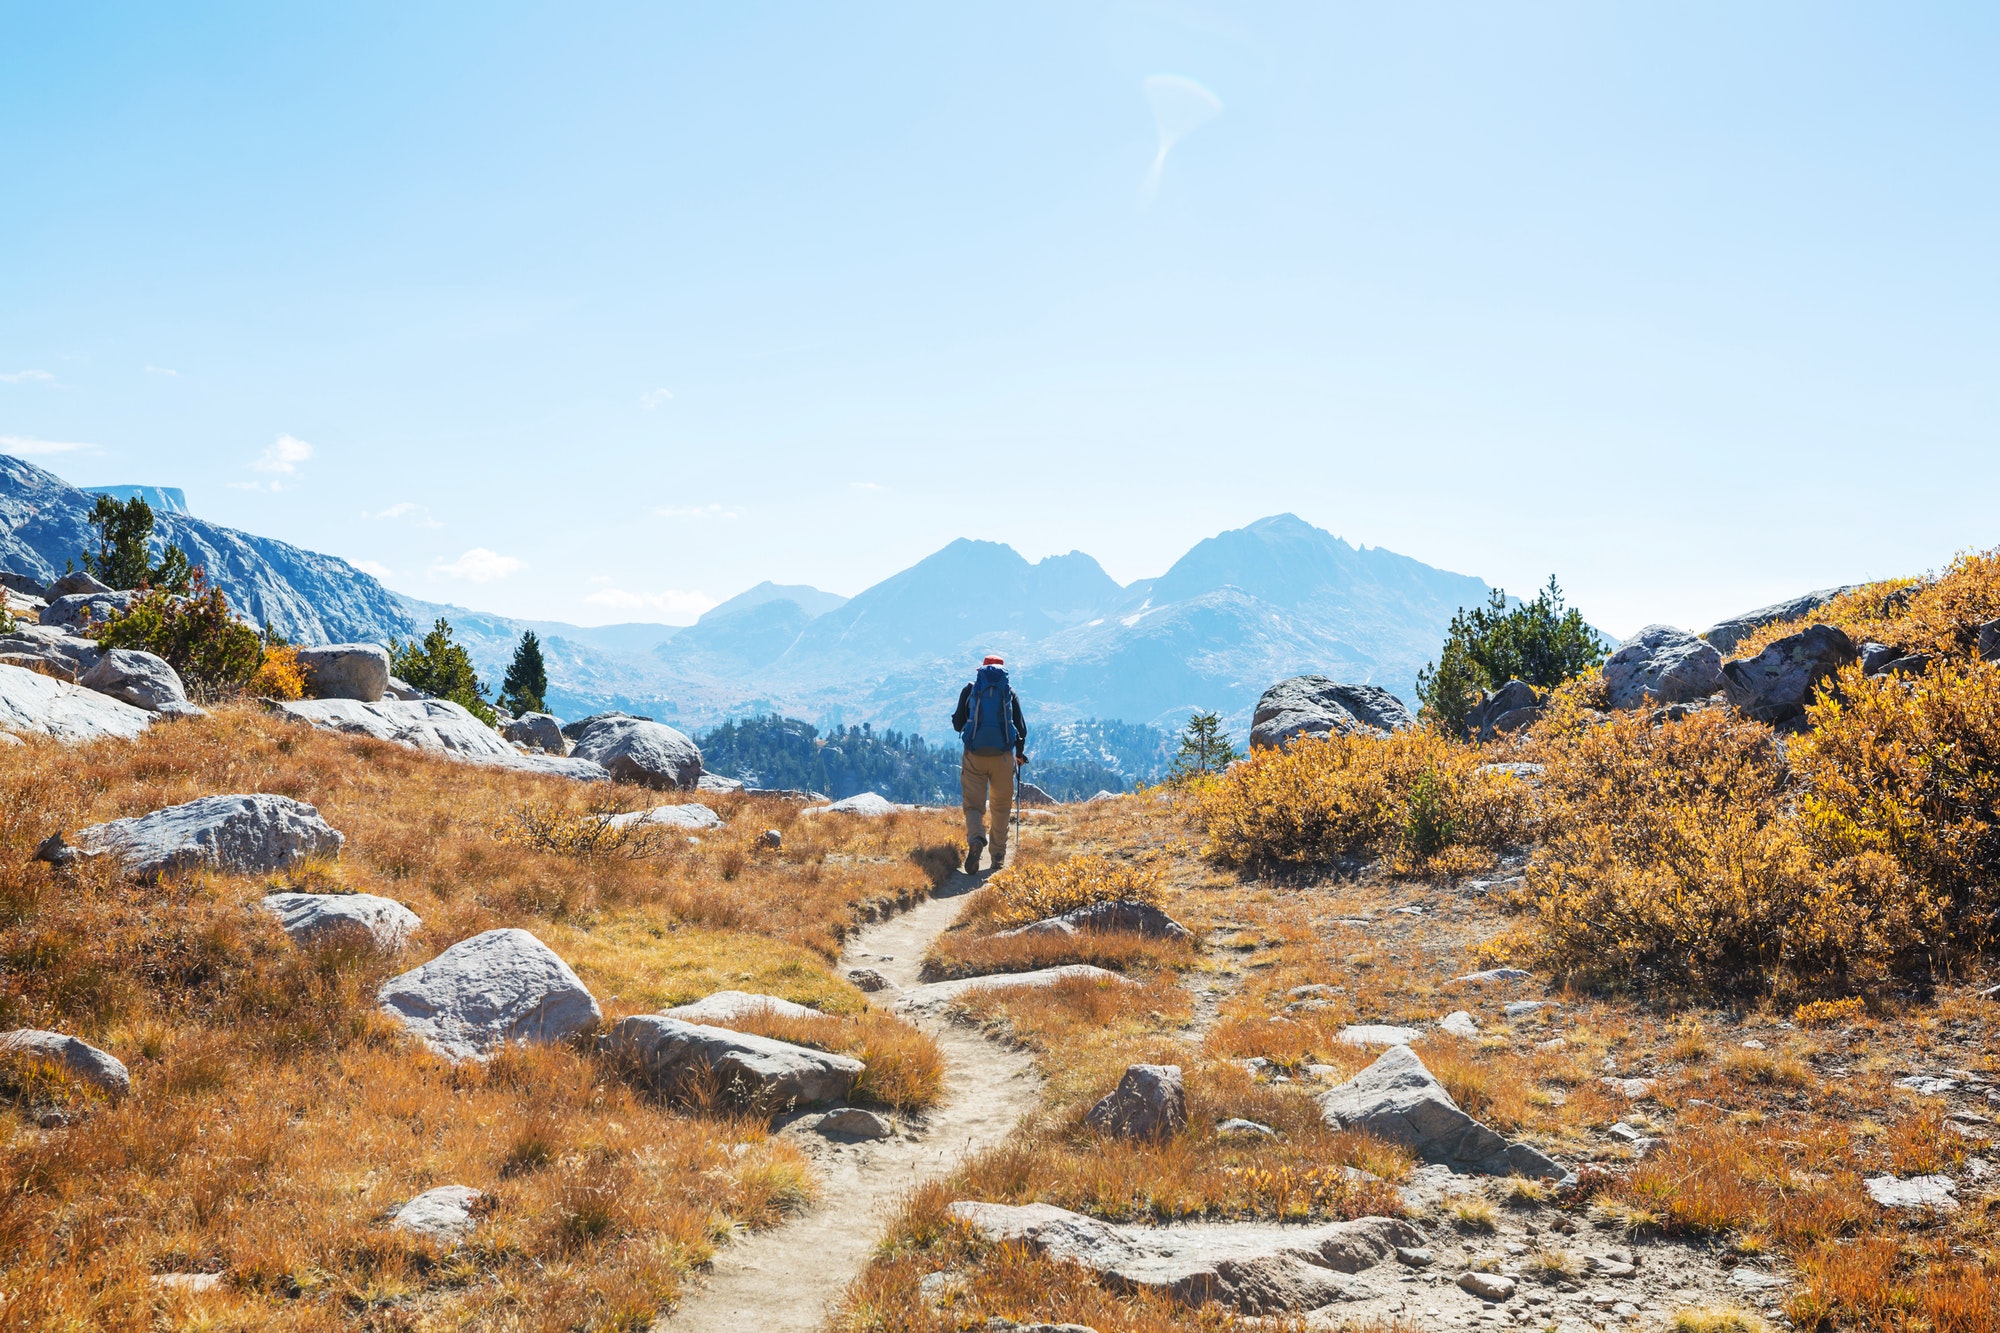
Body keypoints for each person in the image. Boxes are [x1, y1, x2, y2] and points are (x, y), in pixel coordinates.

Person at [952, 653, 1027, 873]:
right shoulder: (1009, 693)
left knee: (974, 804)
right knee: (1001, 807)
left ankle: (976, 839)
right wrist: (1019, 754)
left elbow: (958, 725)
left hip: (974, 755)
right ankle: (997, 856)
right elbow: (1021, 730)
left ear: (980, 671)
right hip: (1002, 757)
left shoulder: (971, 690)